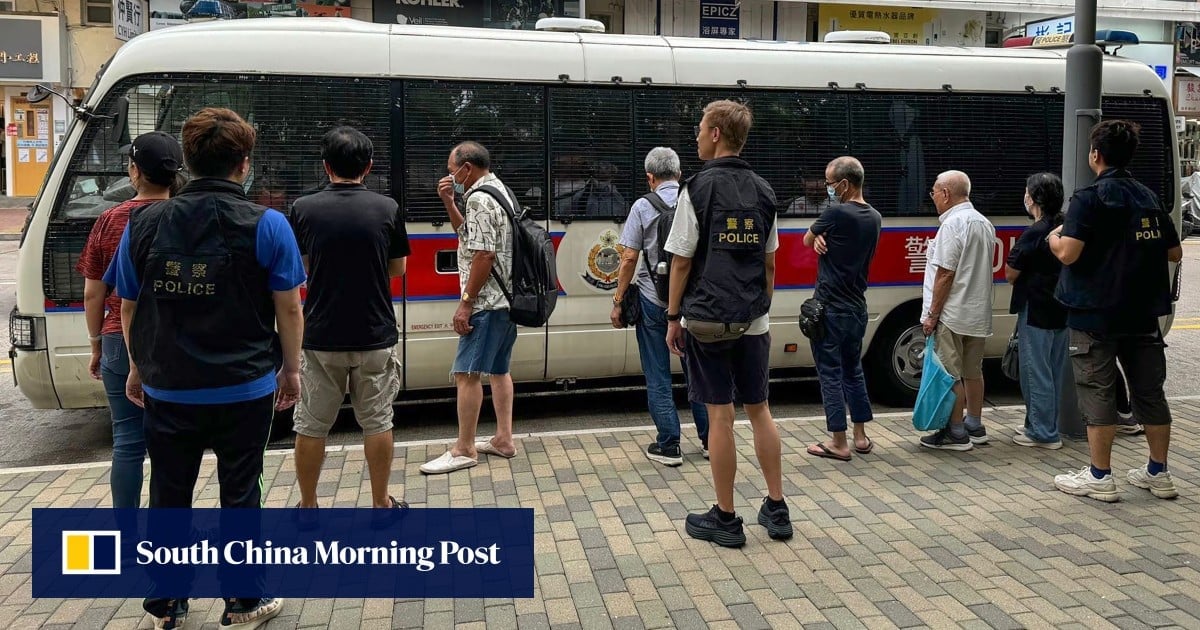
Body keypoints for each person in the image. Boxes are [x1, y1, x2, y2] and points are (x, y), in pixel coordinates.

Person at [107, 108, 304, 629]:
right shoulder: (269, 225)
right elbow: (289, 308)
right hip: (245, 387)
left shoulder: (141, 223)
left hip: (168, 387)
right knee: (241, 491)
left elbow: (128, 305)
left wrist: (135, 367)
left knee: (169, 493)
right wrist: (292, 370)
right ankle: (243, 603)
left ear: (188, 163)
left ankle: (166, 604)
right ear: (244, 164)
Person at [664, 100, 791, 547]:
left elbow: (681, 262)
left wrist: (673, 317)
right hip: (753, 320)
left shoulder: (695, 189)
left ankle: (726, 518)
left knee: (720, 415)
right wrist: (758, 308)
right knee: (759, 410)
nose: (697, 135)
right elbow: (770, 265)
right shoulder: (764, 190)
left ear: (716, 133)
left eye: (700, 127)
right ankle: (777, 508)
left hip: (706, 320)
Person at [1049, 120, 1183, 502]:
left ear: (1096, 155)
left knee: (1098, 392)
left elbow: (1069, 253)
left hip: (1094, 314)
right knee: (1150, 393)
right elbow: (1174, 252)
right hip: (1142, 313)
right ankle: (1159, 472)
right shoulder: (1147, 197)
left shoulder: (1088, 199)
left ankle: (1100, 476)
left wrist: (1054, 237)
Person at [291, 126, 410, 510]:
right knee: (377, 421)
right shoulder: (387, 208)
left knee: (311, 425)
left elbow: (302, 266)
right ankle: (380, 504)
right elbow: (398, 269)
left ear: (325, 166)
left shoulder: (303, 209)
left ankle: (308, 507)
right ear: (369, 166)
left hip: (322, 334)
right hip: (375, 333)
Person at [77, 131, 182, 508]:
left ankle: (125, 531)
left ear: (134, 172)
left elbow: (93, 292)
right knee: (171, 441)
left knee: (127, 440)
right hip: (172, 339)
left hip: (117, 341)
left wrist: (95, 345)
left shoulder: (110, 219)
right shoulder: (183, 216)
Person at [420, 141, 519, 475]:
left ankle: (464, 448)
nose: (450, 176)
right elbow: (469, 237)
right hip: (506, 301)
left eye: (452, 171)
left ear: (467, 168)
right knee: (499, 370)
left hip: (486, 302)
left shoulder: (478, 197)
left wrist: (466, 303)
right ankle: (503, 439)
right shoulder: (498, 190)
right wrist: (449, 201)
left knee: (466, 374)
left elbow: (484, 254)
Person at [611, 147, 710, 466]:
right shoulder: (695, 199)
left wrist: (618, 300)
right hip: (694, 303)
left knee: (657, 373)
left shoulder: (643, 205)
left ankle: (669, 445)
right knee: (698, 372)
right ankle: (710, 441)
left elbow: (628, 258)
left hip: (654, 301)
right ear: (679, 174)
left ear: (650, 177)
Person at [802, 156, 881, 461]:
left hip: (830, 307)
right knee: (853, 371)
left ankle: (838, 442)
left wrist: (819, 235)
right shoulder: (874, 216)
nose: (828, 189)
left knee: (830, 374)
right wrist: (824, 237)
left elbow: (808, 239)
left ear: (845, 184)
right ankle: (860, 437)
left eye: (830, 184)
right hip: (857, 306)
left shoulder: (837, 213)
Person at [918, 171, 996, 451]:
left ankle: (956, 432)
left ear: (946, 194)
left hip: (952, 313)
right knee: (973, 371)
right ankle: (974, 424)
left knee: (949, 374)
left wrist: (932, 315)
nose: (934, 198)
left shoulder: (953, 224)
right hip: (977, 312)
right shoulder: (984, 223)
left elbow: (945, 275)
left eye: (934, 192)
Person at [1005, 172, 1068, 450]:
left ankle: (1043, 432)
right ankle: (1041, 424)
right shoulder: (1065, 226)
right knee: (1053, 371)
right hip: (1062, 307)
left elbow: (1011, 273)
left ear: (1033, 198)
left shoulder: (1034, 232)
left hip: (1036, 308)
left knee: (1036, 371)